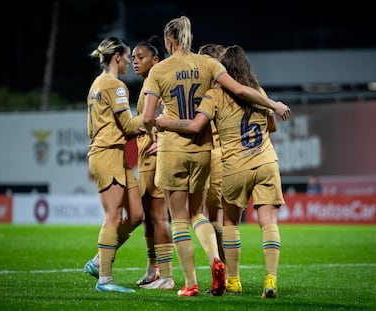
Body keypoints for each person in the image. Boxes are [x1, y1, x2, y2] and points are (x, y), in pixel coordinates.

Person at [142, 15, 290, 297]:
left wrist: (157, 129)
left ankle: (197, 282)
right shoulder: (219, 71)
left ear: (168, 40)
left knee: (191, 219)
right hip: (233, 155)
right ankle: (245, 270)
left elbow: (157, 118)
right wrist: (272, 104)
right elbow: (250, 101)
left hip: (192, 152)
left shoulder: (165, 72)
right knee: (209, 215)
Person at [84, 36, 145, 293]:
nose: (131, 62)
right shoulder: (115, 85)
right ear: (117, 56)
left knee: (136, 215)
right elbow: (130, 126)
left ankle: (100, 259)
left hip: (114, 154)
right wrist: (154, 115)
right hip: (107, 153)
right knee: (113, 216)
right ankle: (105, 279)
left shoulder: (97, 84)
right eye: (129, 56)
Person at [131, 35, 174, 290]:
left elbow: (169, 113)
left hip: (155, 157)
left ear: (155, 60)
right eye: (134, 57)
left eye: (141, 57)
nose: (135, 62)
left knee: (158, 216)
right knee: (149, 215)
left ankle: (167, 276)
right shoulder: (148, 83)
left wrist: (164, 140)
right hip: (146, 156)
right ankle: (153, 269)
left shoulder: (158, 83)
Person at [197, 43, 227, 264]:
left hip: (209, 152)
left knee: (196, 213)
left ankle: (221, 267)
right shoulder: (231, 89)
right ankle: (227, 273)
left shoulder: (210, 94)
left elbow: (195, 125)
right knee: (221, 215)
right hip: (227, 154)